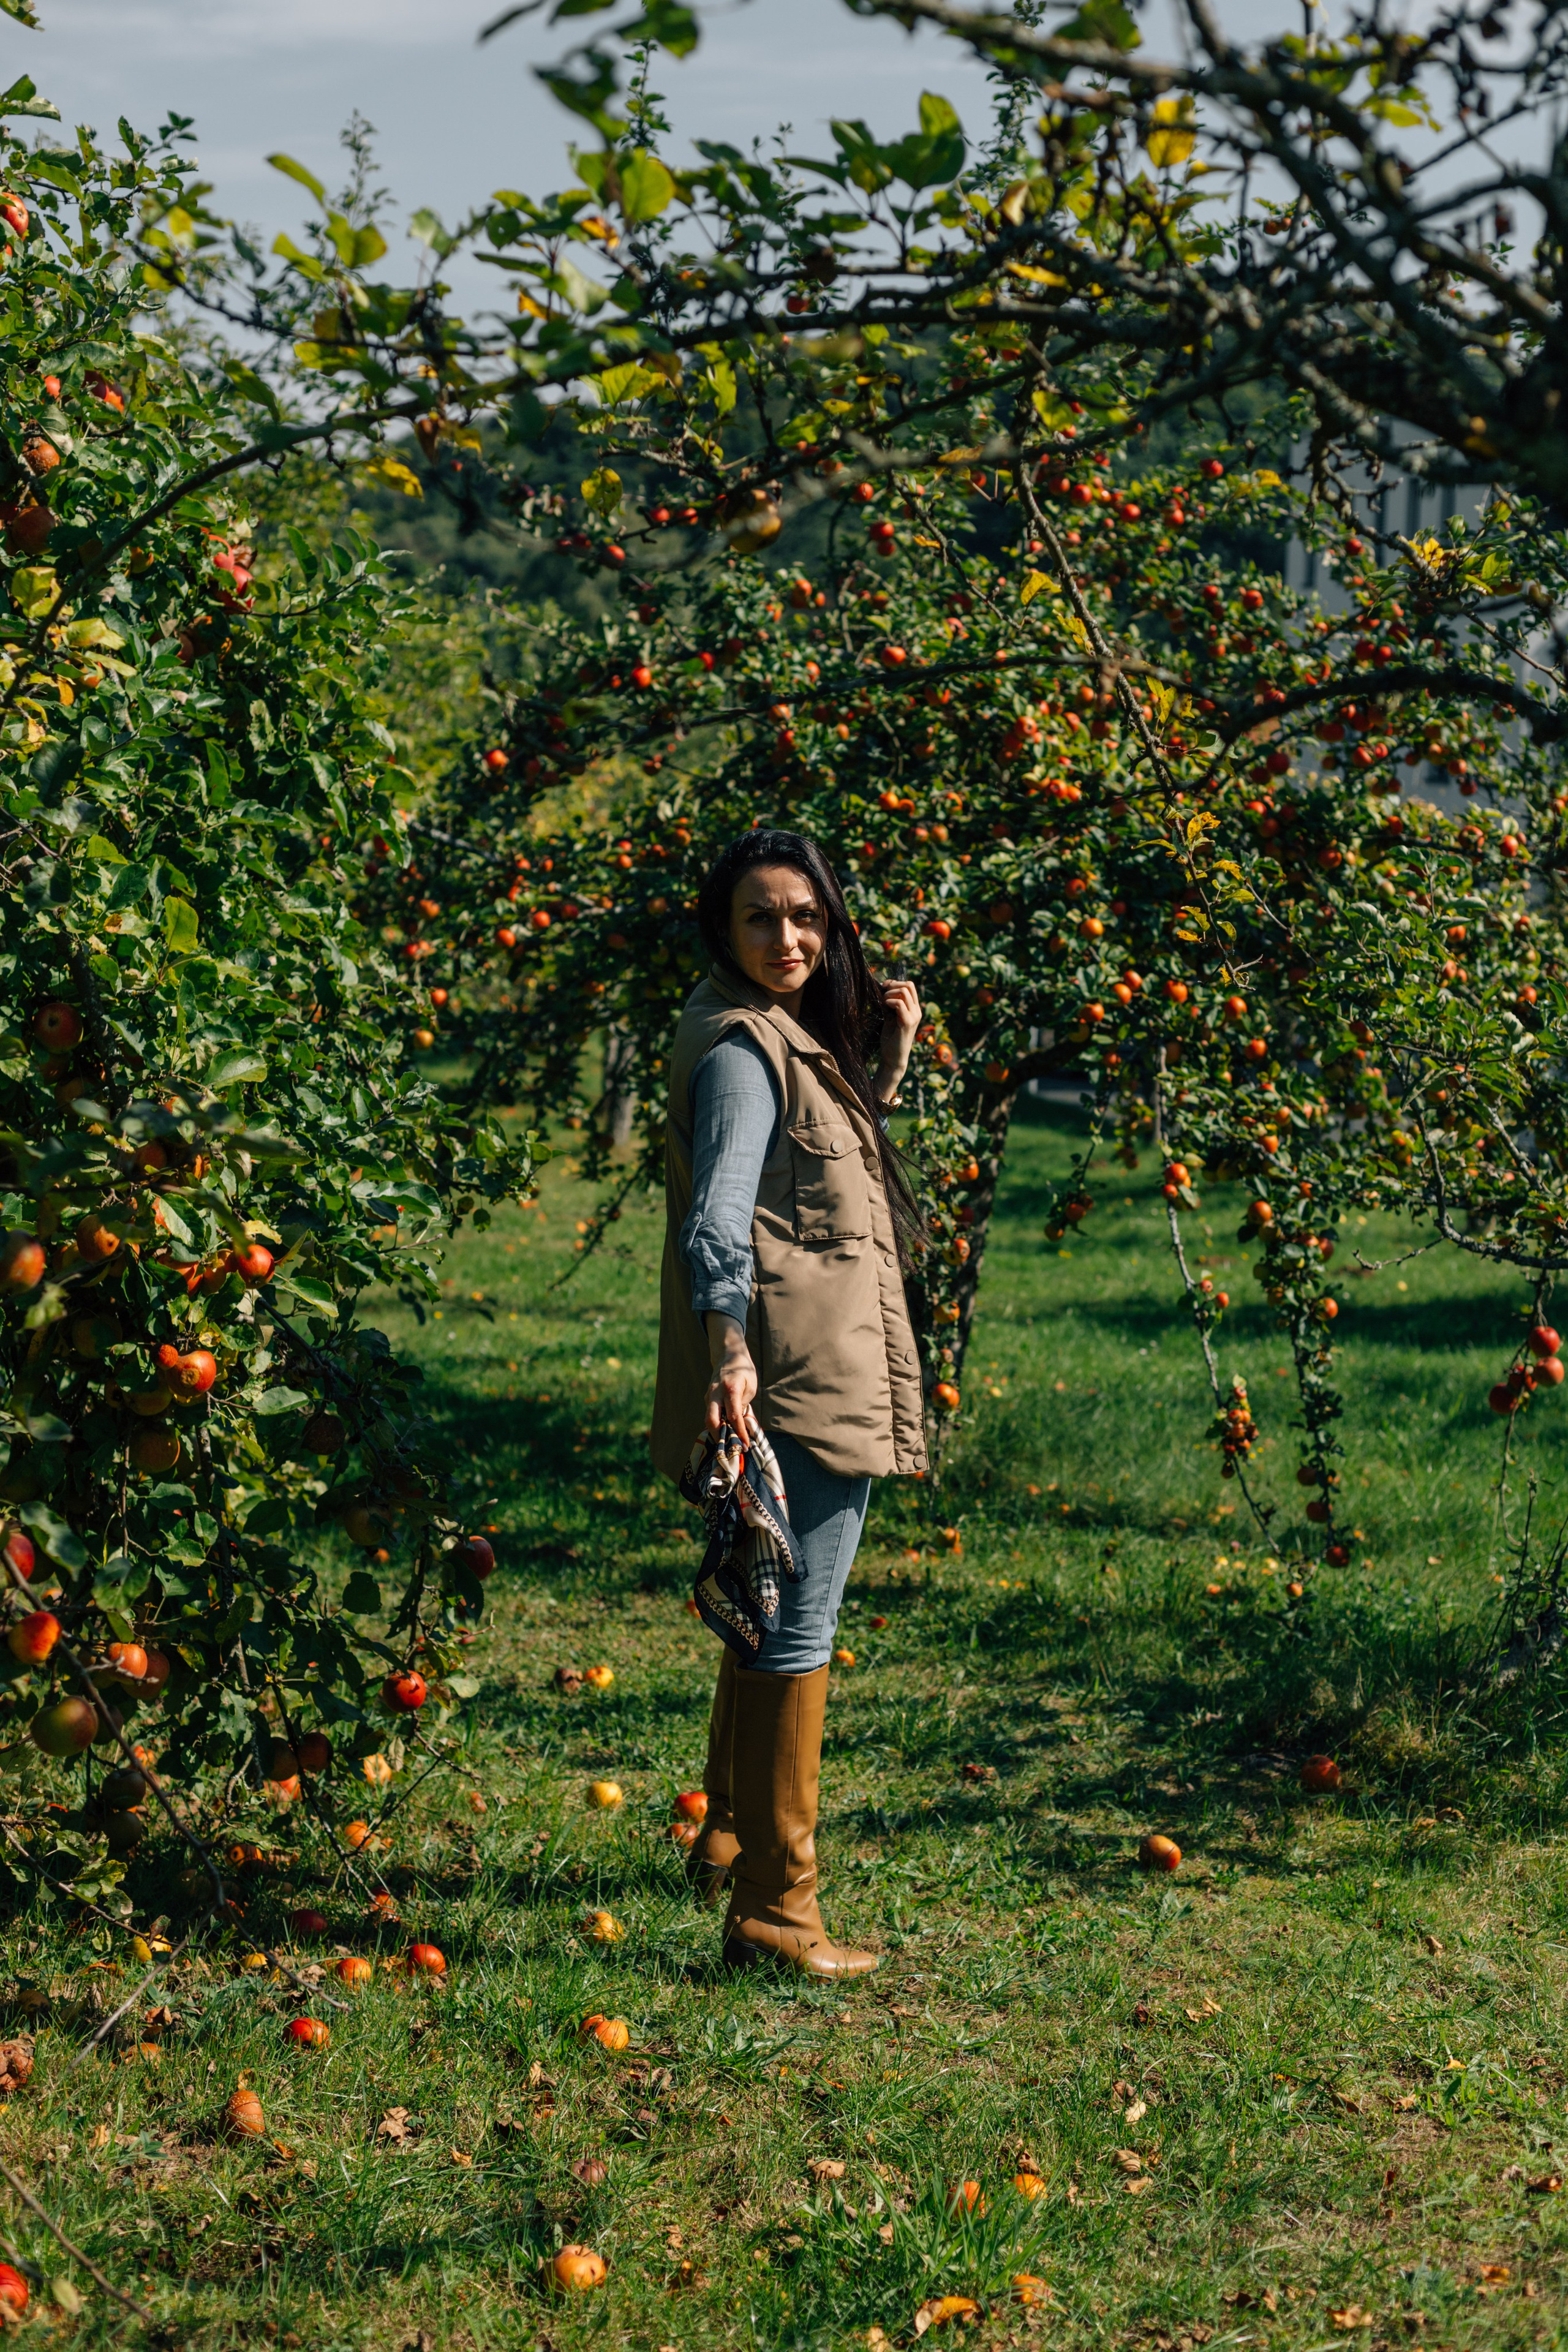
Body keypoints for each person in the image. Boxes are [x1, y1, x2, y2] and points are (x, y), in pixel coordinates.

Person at [650, 827, 926, 1977]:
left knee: (768, 1613)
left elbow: (818, 1180)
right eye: (762, 918)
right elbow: (720, 1217)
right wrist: (729, 1355)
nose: (790, 939)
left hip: (806, 1361)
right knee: (797, 1630)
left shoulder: (779, 1037)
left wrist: (889, 1058)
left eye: (808, 917)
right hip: (795, 1377)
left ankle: (727, 1836)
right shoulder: (738, 1052)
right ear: (723, 927)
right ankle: (778, 1909)